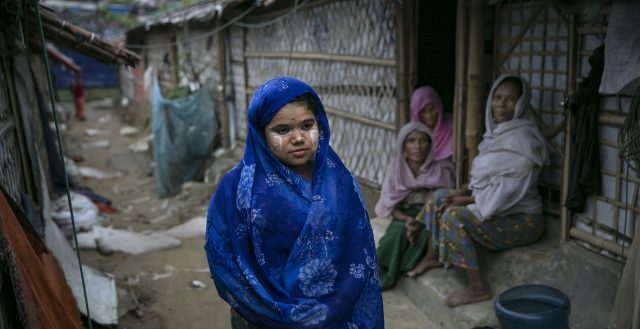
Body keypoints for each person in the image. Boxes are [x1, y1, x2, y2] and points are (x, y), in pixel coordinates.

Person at [204, 77, 384, 328]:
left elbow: (359, 254)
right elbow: (223, 253)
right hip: (261, 316)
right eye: (283, 130)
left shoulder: (339, 182)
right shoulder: (237, 188)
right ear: (260, 132)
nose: (298, 138)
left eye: (307, 125)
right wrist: (261, 306)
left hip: (336, 315)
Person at [406, 75, 549, 307]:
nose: (501, 104)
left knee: (454, 216)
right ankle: (431, 256)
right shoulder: (497, 134)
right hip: (495, 207)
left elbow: (506, 195)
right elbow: (484, 181)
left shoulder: (525, 141)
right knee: (441, 195)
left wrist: (464, 200)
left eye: (510, 99)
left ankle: (477, 287)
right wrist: (460, 193)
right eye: (498, 98)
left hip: (523, 220)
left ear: (521, 104)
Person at [374, 122, 455, 291]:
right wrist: (407, 220)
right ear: (403, 146)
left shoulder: (442, 169)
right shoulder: (396, 169)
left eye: (423, 140)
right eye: (411, 141)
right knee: (396, 234)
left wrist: (421, 221)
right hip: (405, 216)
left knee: (423, 237)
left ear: (431, 145)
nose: (417, 146)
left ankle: (395, 272)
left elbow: (445, 203)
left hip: (432, 220)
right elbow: (391, 206)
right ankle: (378, 276)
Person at [410, 86, 454, 161]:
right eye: (423, 111)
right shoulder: (411, 133)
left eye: (432, 109)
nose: (429, 115)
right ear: (416, 113)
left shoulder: (451, 124)